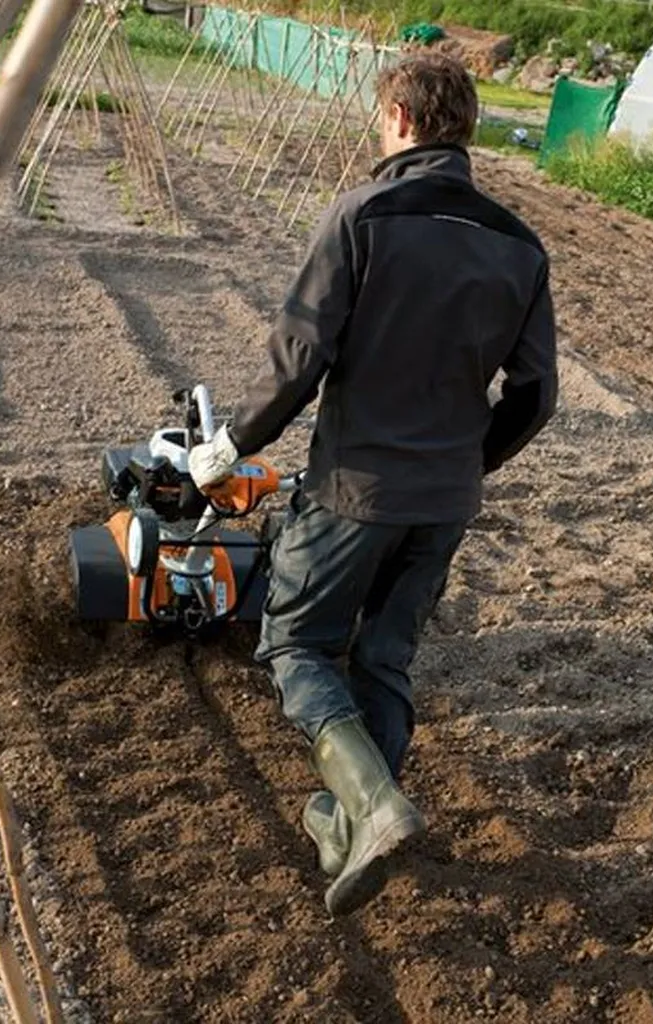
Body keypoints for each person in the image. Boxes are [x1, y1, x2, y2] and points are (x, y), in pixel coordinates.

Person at [188, 51, 558, 917]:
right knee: (384, 656)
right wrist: (470, 459)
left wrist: (233, 445)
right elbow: (536, 394)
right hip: (446, 500)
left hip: (355, 488)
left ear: (398, 117)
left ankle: (370, 802)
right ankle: (347, 824)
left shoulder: (361, 214)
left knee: (297, 646)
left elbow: (299, 358)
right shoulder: (519, 245)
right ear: (463, 127)